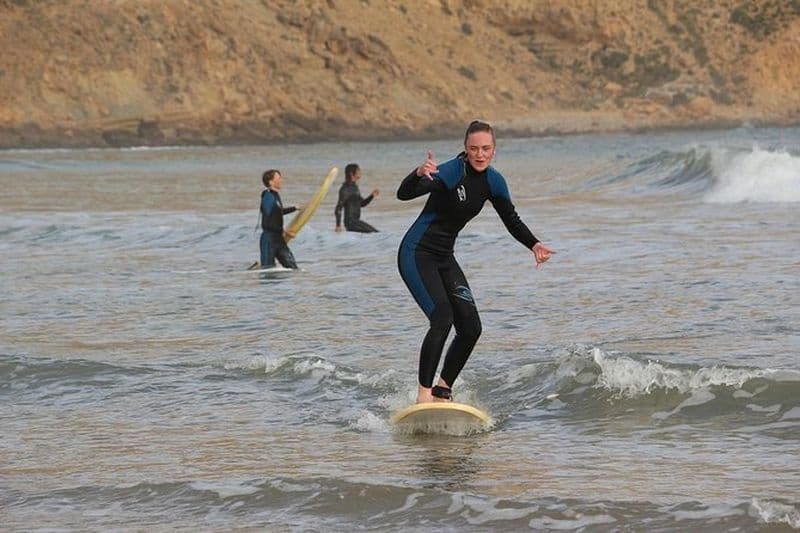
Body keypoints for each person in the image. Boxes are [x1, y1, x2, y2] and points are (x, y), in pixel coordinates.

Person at [397, 120, 554, 403]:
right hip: (416, 253)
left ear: (494, 149)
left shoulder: (494, 181)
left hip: (444, 257)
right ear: (465, 149)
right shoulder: (450, 172)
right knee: (443, 317)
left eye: (486, 149)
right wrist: (418, 173)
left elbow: (511, 219)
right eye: (474, 149)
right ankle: (423, 395)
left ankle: (443, 390)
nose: (480, 154)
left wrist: (534, 244)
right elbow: (404, 193)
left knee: (471, 328)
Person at [257, 169, 299, 269]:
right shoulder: (267, 196)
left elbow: (277, 213)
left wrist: (295, 208)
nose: (281, 180)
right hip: (268, 240)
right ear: (271, 182)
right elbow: (269, 216)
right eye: (279, 178)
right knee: (267, 272)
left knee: (293, 268)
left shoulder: (275, 195)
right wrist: (285, 232)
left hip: (278, 239)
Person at [335, 163, 380, 233]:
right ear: (351, 173)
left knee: (376, 233)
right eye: (358, 170)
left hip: (355, 221)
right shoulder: (345, 189)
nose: (360, 172)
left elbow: (362, 204)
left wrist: (372, 196)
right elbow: (339, 207)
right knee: (375, 233)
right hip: (350, 223)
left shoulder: (354, 187)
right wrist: (338, 225)